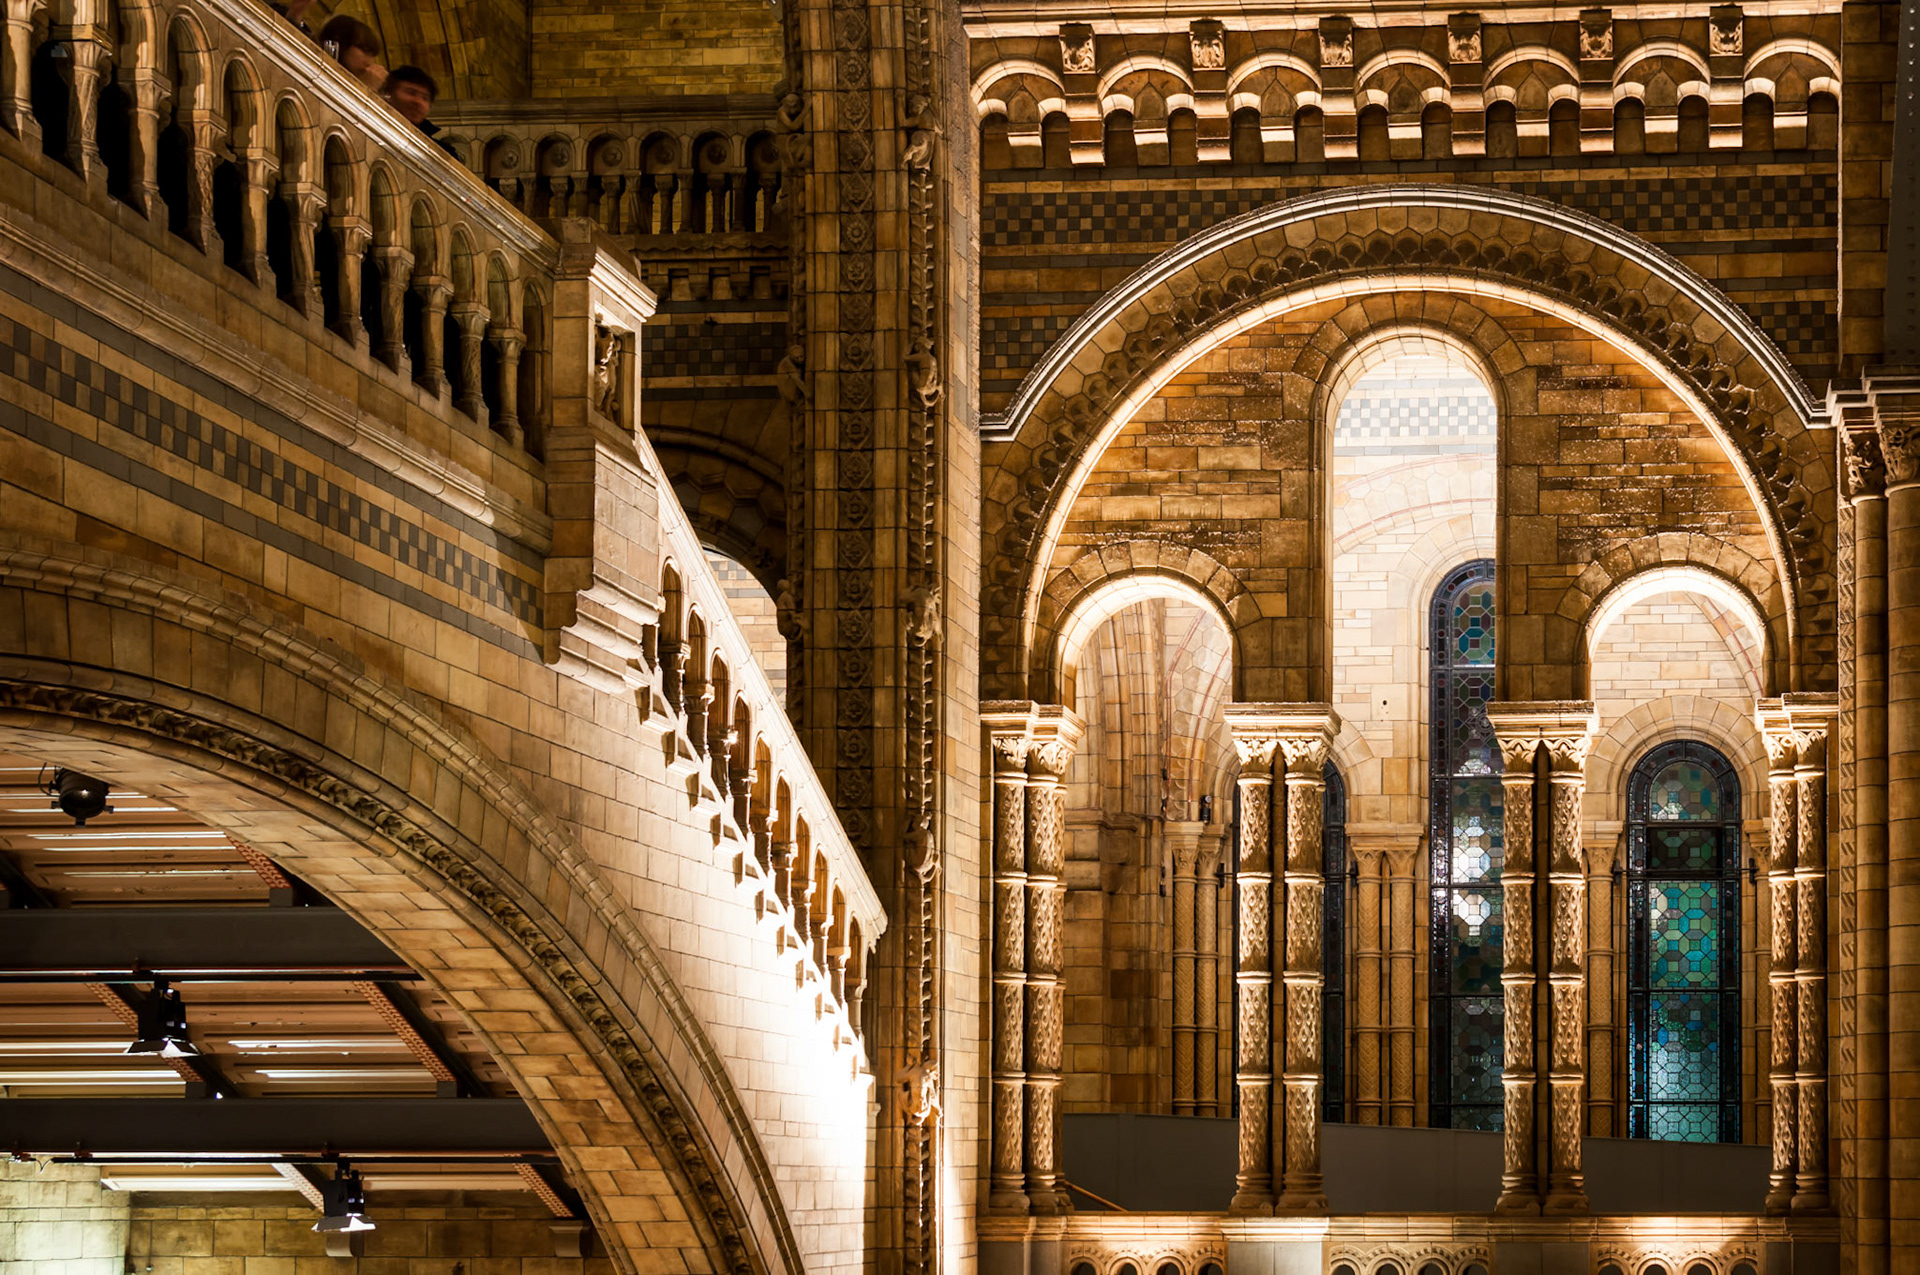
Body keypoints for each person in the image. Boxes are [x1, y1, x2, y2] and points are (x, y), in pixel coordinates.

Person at [381, 66, 458, 156]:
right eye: (411, 93)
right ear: (389, 94)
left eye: (425, 98)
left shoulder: (445, 153)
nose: (418, 101)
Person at [317, 15, 387, 92]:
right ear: (341, 44)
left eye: (372, 55)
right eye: (365, 50)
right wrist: (367, 88)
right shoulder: (319, 72)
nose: (370, 62)